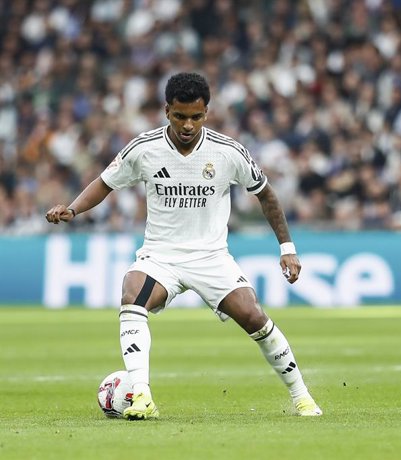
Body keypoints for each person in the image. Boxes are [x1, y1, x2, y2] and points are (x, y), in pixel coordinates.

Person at [45, 72, 322, 420]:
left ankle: (302, 397)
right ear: (166, 111)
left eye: (196, 116)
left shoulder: (228, 152)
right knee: (132, 293)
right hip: (161, 256)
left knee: (254, 316)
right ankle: (141, 395)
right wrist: (72, 208)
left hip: (211, 257)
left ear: (207, 112)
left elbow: (265, 194)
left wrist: (287, 248)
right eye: (180, 116)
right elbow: (105, 183)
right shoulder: (144, 149)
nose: (188, 125)